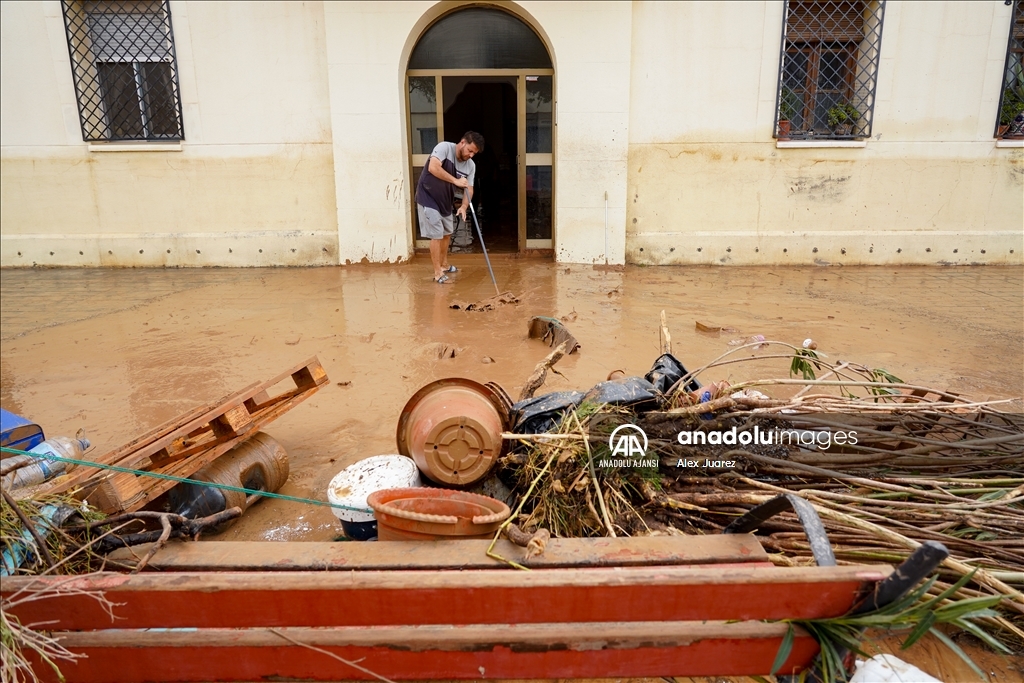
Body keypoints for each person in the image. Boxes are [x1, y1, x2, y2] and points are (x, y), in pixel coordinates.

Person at [415, 131, 484, 283]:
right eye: (470, 150)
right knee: (437, 234)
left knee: (447, 233)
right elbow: (433, 167)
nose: (471, 155)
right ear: (462, 142)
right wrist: (455, 181)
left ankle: (444, 264)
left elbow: (469, 188)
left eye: (474, 153)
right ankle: (437, 272)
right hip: (428, 196)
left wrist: (464, 206)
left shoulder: (470, 165)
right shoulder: (444, 148)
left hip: (445, 201)